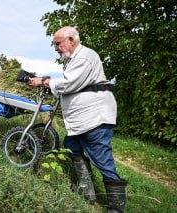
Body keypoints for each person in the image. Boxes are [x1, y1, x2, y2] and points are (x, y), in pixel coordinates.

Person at [29, 26, 127, 213]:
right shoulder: (75, 59)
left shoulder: (84, 57)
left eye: (58, 44)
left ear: (71, 40)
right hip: (84, 119)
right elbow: (71, 83)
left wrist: (44, 81)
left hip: (95, 118)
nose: (56, 48)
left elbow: (68, 83)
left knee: (102, 160)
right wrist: (48, 82)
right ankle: (87, 191)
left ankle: (116, 208)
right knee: (71, 146)